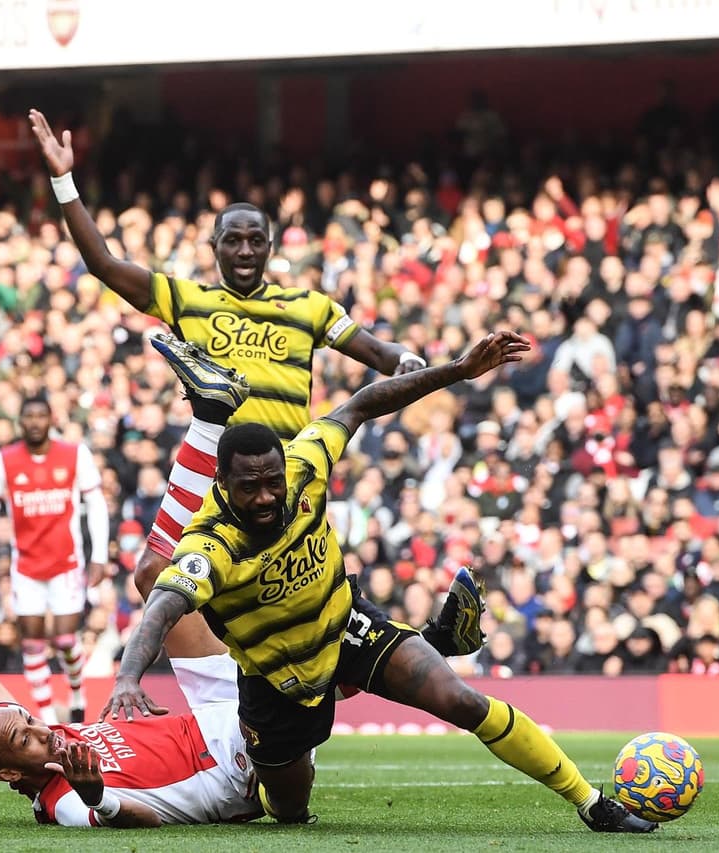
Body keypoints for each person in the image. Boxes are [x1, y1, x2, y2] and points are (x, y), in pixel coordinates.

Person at [101, 332, 656, 832]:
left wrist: (458, 370)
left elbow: (363, 402)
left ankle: (590, 802)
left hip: (345, 626)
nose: (268, 496)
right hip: (278, 685)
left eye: (273, 480)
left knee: (460, 701)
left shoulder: (304, 464)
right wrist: (129, 677)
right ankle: (433, 640)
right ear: (221, 481)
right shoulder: (212, 543)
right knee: (288, 812)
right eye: (251, 487)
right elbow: (163, 605)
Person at [26, 109, 448, 657]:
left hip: (286, 477)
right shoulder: (189, 300)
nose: (245, 251)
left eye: (255, 241)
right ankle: (233, 700)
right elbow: (104, 264)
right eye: (233, 241)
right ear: (215, 247)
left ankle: (390, 654)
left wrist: (408, 360)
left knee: (302, 620)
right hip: (215, 473)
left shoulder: (309, 307)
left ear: (270, 248)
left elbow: (376, 350)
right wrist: (64, 181)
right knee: (154, 573)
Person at [0, 625, 262, 828]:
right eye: (25, 739)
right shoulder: (64, 802)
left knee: (159, 579)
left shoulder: (18, 729)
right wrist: (98, 798)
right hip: (228, 766)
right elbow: (149, 819)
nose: (44, 731)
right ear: (9, 774)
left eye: (30, 720)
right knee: (284, 692)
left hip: (208, 714)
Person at [0, 394, 109, 724]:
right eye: (29, 416)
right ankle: (47, 718)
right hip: (26, 567)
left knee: (67, 640)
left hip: (66, 563)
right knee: (33, 645)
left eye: (41, 415)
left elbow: (96, 504)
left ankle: (77, 696)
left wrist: (98, 554)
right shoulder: (4, 459)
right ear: (20, 422)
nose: (35, 422)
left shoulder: (73, 455)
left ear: (51, 419)